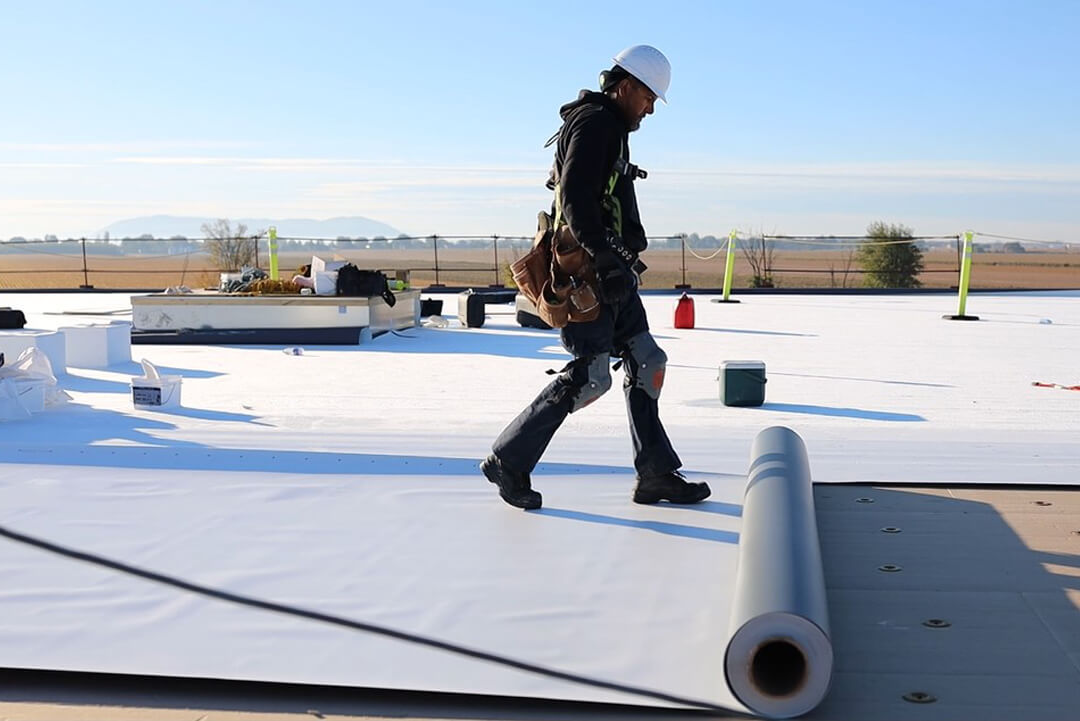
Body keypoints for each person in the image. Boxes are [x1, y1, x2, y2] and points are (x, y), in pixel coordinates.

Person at [481, 45, 711, 510]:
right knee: (590, 377)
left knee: (647, 361)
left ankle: (657, 475)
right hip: (590, 272)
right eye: (648, 97)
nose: (649, 109)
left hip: (611, 269)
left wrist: (621, 255)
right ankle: (508, 460)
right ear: (625, 86)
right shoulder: (595, 122)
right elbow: (575, 198)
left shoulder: (611, 125)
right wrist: (604, 260)